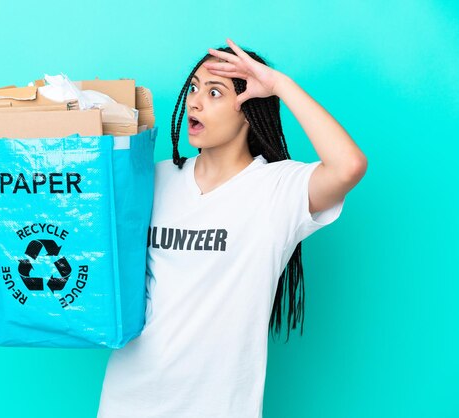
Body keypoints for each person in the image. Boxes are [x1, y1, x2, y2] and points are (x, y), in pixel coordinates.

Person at [97, 38, 367, 418]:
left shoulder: (277, 191)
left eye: (214, 92)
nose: (194, 101)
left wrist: (280, 86)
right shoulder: (153, 180)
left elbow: (348, 166)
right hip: (130, 399)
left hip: (219, 407)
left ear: (248, 112)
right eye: (193, 88)